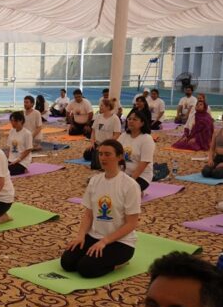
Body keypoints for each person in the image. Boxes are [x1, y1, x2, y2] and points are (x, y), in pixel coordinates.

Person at [61, 139, 139, 278]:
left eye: (108, 154)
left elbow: (131, 224)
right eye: (101, 154)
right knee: (67, 263)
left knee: (86, 269)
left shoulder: (130, 185)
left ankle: (121, 263)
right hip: (94, 236)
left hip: (120, 242)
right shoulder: (95, 180)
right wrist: (80, 236)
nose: (103, 158)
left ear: (120, 157)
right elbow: (88, 214)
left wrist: (104, 241)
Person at [118, 111, 156, 192]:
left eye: (135, 119)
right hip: (124, 173)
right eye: (129, 119)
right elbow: (116, 154)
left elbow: (144, 162)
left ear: (142, 123)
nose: (131, 121)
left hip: (141, 176)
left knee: (123, 191)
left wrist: (131, 180)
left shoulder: (147, 139)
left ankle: (140, 191)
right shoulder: (123, 136)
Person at [84, 97, 122, 169]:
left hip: (108, 145)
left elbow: (117, 135)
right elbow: (93, 132)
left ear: (108, 107)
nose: (100, 107)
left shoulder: (115, 119)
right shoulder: (98, 117)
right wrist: (92, 143)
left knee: (96, 165)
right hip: (98, 143)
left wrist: (105, 144)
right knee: (86, 154)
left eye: (102, 105)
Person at [5, 111, 33, 176]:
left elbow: (28, 149)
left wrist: (18, 160)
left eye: (14, 121)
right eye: (11, 121)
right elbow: (9, 147)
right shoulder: (11, 131)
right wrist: (6, 159)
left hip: (22, 161)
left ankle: (24, 169)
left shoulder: (27, 133)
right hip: (11, 159)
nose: (12, 123)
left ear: (20, 121)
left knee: (7, 172)